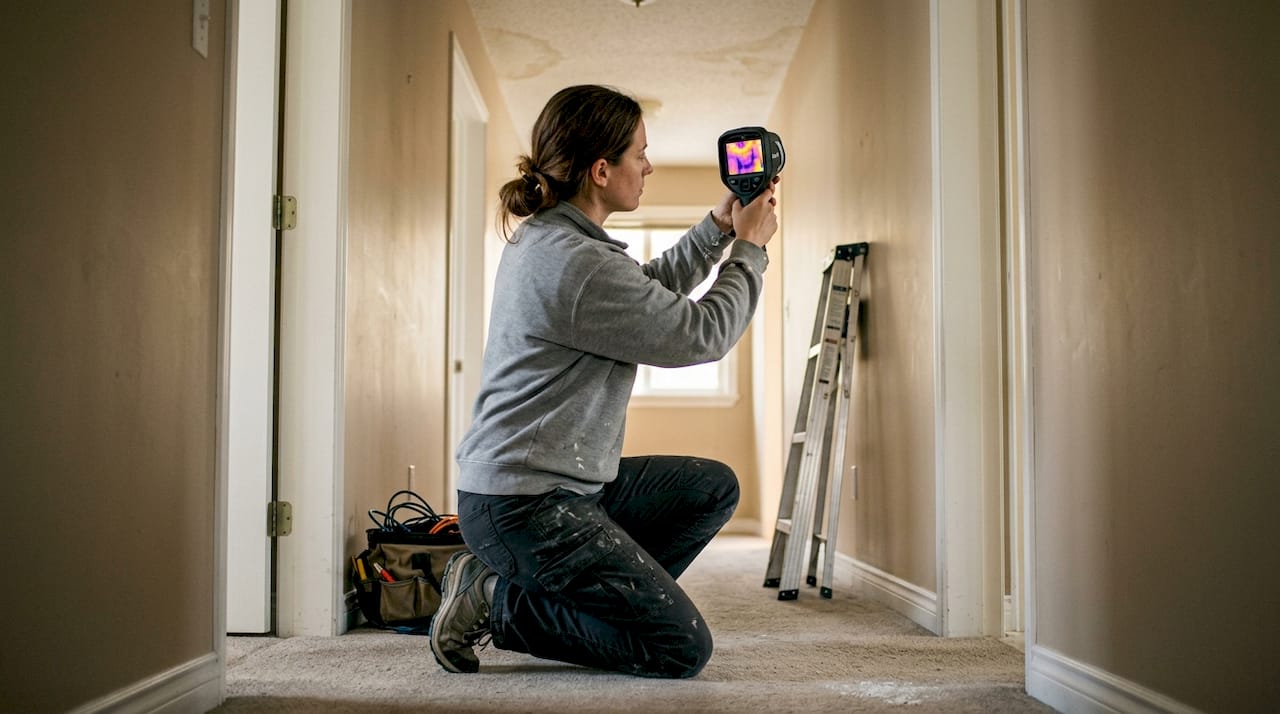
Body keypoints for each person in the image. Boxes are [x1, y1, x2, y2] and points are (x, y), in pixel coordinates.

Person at [429, 84, 779, 679]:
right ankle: (494, 599)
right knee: (679, 647)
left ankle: (604, 601)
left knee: (710, 487)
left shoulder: (558, 242)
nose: (648, 166)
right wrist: (748, 249)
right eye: (639, 154)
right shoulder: (577, 262)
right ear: (600, 170)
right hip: (525, 507)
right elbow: (701, 334)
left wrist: (720, 226)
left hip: (555, 489)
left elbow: (644, 289)